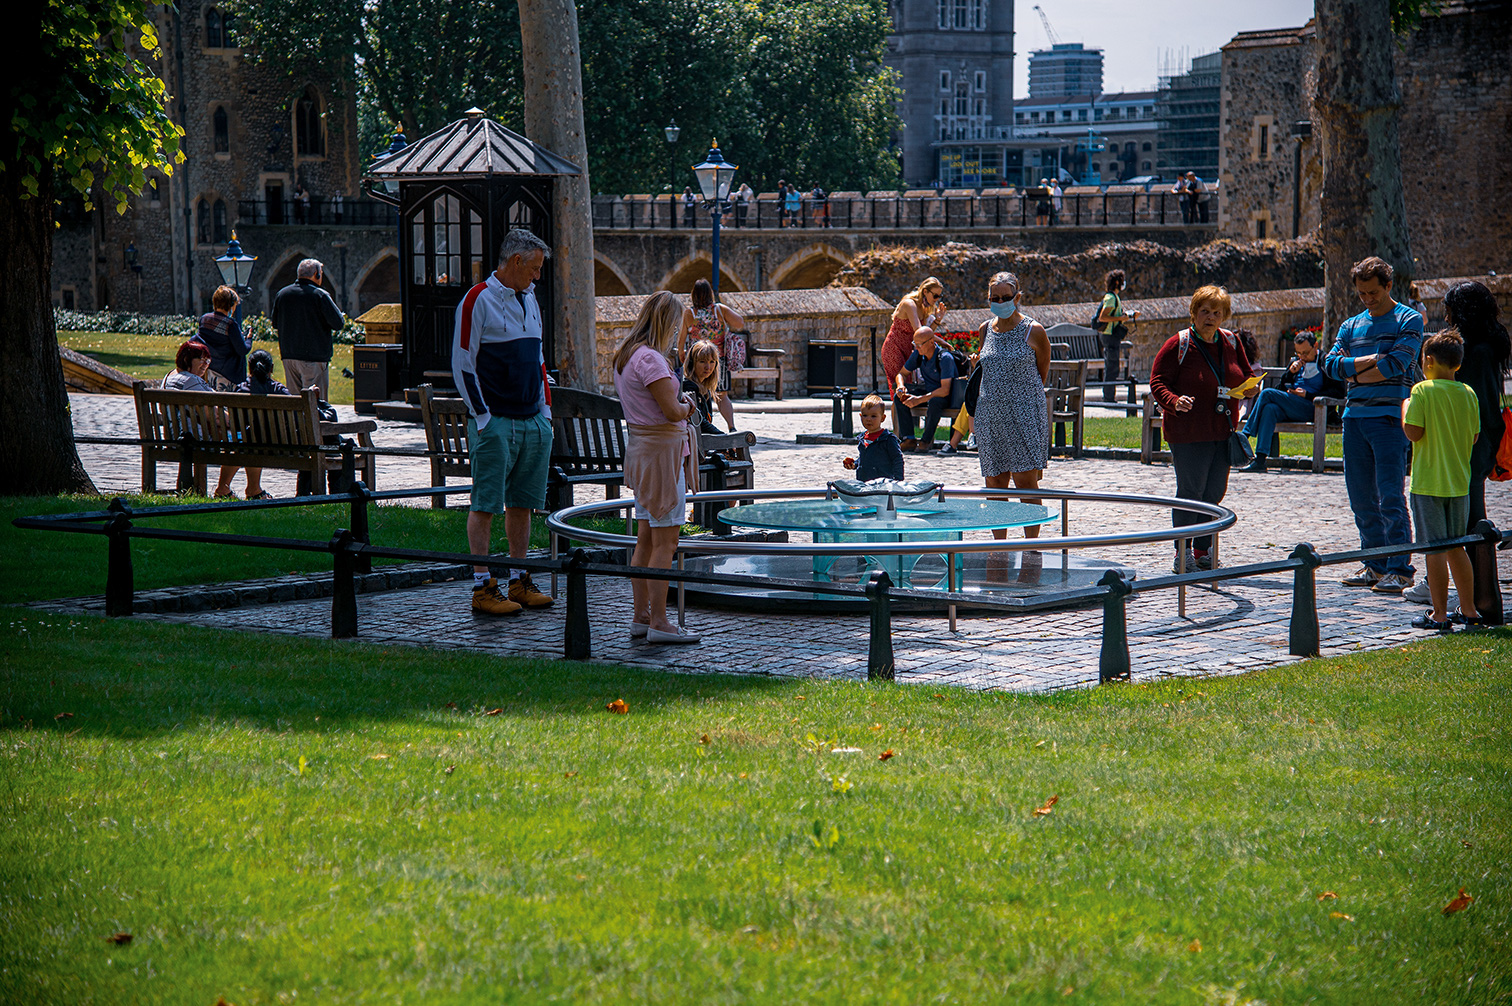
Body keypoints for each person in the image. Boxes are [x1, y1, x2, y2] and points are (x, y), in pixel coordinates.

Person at [452, 228, 557, 617]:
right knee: (485, 504)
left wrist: (544, 416)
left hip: (532, 420)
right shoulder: (477, 300)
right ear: (515, 261)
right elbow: (463, 363)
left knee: (523, 504)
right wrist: (484, 418)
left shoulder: (531, 300)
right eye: (534, 267)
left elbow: (540, 360)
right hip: (496, 421)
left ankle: (519, 578)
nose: (537, 276)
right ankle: (483, 586)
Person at [1403, 280, 1512, 613]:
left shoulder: (1472, 351)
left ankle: (1478, 597)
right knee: (1469, 521)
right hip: (1478, 438)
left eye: (1450, 308)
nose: (1446, 314)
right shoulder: (1487, 344)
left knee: (1468, 524)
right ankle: (1477, 595)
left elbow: (1461, 399)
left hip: (1460, 444)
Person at [1321, 256, 1424, 594]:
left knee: (1391, 495)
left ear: (1388, 286)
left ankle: (1400, 567)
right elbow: (1331, 367)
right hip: (1354, 419)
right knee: (1361, 497)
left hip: (1389, 419)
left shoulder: (1408, 319)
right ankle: (1375, 563)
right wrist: (1368, 361)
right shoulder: (1351, 326)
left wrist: (1354, 369)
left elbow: (1397, 363)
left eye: (1374, 293)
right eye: (1362, 294)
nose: (1368, 299)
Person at [1148, 285, 1258, 571]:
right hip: (1188, 432)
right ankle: (1181, 552)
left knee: (1213, 493)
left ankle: (1203, 551)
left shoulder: (1232, 342)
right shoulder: (1180, 343)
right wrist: (1174, 401)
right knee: (1190, 492)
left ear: (1224, 316)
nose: (1210, 317)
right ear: (1194, 313)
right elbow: (1157, 381)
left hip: (1221, 430)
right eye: (1205, 311)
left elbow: (1246, 374)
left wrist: (1249, 388)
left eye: (1216, 312)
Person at [613, 291, 701, 644]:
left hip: (643, 452)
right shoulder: (650, 359)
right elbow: (670, 410)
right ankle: (660, 623)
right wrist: (688, 407)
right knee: (666, 540)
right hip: (662, 456)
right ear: (667, 322)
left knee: (646, 538)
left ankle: (641, 615)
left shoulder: (627, 354)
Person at [1402, 330, 1483, 631]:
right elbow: (1473, 437)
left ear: (1428, 360)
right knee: (1456, 547)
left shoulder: (1422, 391)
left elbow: (1413, 432)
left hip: (1428, 484)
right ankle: (1470, 610)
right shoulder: (1468, 393)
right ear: (1458, 365)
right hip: (1459, 484)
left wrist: (1405, 407)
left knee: (1433, 550)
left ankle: (1438, 614)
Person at [973, 272, 1052, 540]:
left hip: (1024, 417)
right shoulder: (985, 329)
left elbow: (1041, 373)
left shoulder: (1034, 331)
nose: (1000, 302)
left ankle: (1031, 545)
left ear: (1017, 297)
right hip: (990, 418)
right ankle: (1000, 546)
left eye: (1006, 297)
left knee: (1026, 484)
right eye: (994, 298)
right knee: (995, 485)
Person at [1236, 330, 1345, 472]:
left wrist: (1308, 395)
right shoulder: (1295, 362)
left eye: (1305, 353)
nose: (1302, 357)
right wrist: (1290, 374)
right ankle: (1260, 460)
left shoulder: (1326, 362)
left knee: (1267, 393)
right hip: (1292, 407)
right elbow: (1280, 389)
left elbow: (1338, 392)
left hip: (1314, 408)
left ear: (1315, 346)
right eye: (1299, 353)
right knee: (1270, 409)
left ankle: (1245, 435)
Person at [881, 278, 947, 435]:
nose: (937, 300)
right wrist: (944, 343)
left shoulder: (924, 309)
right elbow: (920, 332)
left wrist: (937, 320)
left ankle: (903, 434)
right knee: (898, 392)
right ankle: (898, 435)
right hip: (894, 348)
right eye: (935, 296)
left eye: (939, 296)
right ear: (925, 292)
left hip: (909, 349)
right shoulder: (909, 304)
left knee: (907, 391)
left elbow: (924, 335)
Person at [272, 258, 344, 396]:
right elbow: (338, 324)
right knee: (317, 405)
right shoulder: (320, 295)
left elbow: (275, 323)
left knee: (296, 402)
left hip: (289, 356)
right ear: (316, 274)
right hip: (314, 358)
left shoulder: (282, 294)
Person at [681, 279, 744, 432]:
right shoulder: (719, 310)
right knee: (722, 395)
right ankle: (731, 426)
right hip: (718, 359)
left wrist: (684, 357)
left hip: (696, 359)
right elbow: (740, 322)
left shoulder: (690, 313)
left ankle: (703, 423)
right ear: (710, 294)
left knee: (699, 392)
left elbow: (681, 338)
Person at [893, 324, 958, 453]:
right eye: (914, 344)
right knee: (899, 398)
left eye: (920, 344)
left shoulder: (944, 358)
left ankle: (926, 441)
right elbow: (901, 374)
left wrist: (919, 400)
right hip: (928, 390)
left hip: (945, 396)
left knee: (934, 402)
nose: (916, 348)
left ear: (931, 342)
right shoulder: (918, 354)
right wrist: (901, 386)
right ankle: (909, 439)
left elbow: (945, 390)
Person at [193, 284, 252, 391]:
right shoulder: (230, 324)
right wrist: (248, 339)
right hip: (228, 375)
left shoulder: (204, 319)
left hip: (211, 371)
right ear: (231, 304)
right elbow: (242, 350)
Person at [1094, 269, 1140, 402]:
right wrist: (1121, 318)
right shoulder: (1111, 297)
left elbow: (1115, 315)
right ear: (1117, 282)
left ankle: (1109, 396)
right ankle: (1108, 397)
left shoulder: (1114, 297)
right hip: (1110, 336)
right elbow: (1103, 317)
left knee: (1113, 367)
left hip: (1111, 336)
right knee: (1111, 367)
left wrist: (1129, 315)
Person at [843, 394, 905, 481]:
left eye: (873, 416)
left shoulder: (888, 439)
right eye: (865, 415)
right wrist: (855, 464)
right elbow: (864, 458)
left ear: (882, 418)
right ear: (860, 416)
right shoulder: (862, 438)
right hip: (863, 483)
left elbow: (897, 460)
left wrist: (898, 481)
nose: (868, 419)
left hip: (882, 484)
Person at [680, 340, 725, 436]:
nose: (708, 367)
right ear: (692, 363)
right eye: (702, 362)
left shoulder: (704, 388)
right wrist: (723, 437)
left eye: (712, 362)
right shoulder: (688, 386)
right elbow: (701, 423)